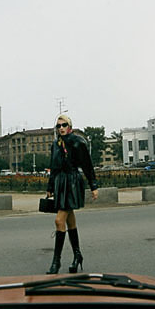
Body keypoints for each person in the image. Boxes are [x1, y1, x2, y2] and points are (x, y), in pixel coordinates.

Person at [45, 114, 99, 274]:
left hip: (73, 182)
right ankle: (77, 256)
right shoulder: (56, 144)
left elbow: (87, 165)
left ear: (70, 126)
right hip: (60, 183)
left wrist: (93, 185)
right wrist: (50, 186)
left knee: (58, 220)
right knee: (70, 222)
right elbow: (53, 166)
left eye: (63, 125)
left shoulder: (78, 142)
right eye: (58, 126)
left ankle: (56, 262)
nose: (61, 128)